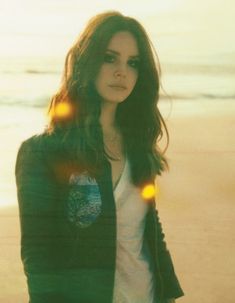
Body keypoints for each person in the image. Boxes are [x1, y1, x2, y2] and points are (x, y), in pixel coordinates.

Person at [15, 11, 184, 303]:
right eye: (110, 58)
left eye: (133, 63)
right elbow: (38, 254)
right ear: (87, 61)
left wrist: (168, 296)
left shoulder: (138, 145)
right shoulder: (41, 153)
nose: (122, 71)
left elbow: (148, 228)